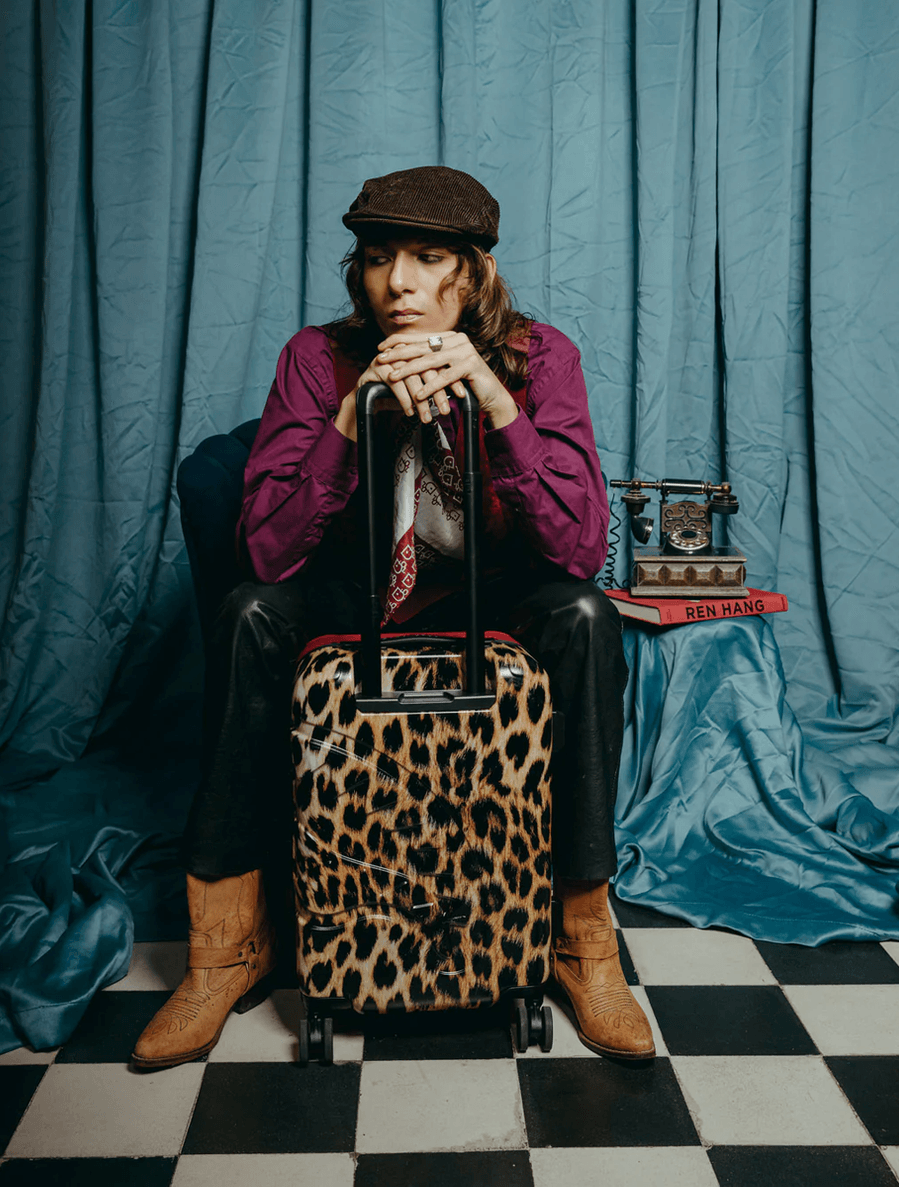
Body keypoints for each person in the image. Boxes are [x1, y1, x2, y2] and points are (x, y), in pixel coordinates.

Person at [132, 165, 654, 1068]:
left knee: (583, 613)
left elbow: (578, 550)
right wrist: (350, 414)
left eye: (427, 259)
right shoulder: (316, 357)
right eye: (379, 258)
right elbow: (265, 552)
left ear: (476, 273)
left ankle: (582, 941)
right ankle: (226, 946)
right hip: (355, 592)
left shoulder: (541, 357)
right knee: (249, 612)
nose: (398, 283)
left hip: (491, 592)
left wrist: (495, 400)